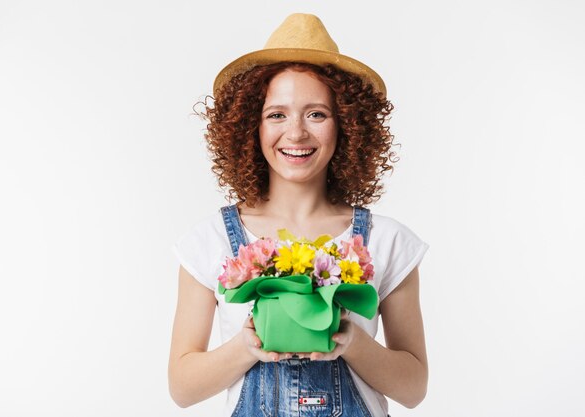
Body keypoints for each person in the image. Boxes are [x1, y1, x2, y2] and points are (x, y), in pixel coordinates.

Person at [169, 13, 429, 417]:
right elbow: (182, 388)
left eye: (316, 114)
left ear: (347, 125)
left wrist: (352, 342)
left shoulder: (386, 242)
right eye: (277, 114)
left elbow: (414, 389)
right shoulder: (210, 241)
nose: (296, 133)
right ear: (249, 127)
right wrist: (246, 347)